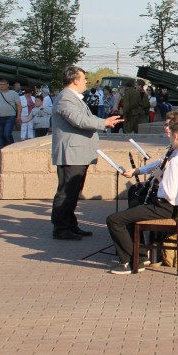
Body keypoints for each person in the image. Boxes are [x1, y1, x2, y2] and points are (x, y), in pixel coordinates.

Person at [106, 120, 178, 274]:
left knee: (114, 219)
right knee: (131, 213)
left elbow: (169, 194)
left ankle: (129, 262)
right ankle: (139, 258)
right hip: (177, 207)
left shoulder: (175, 161)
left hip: (166, 208)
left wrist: (159, 177)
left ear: (175, 136)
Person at [51, 66, 123, 240]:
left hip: (78, 152)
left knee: (74, 191)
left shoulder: (72, 97)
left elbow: (83, 118)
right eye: (83, 79)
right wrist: (103, 122)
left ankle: (70, 224)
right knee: (67, 191)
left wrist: (102, 121)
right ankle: (61, 228)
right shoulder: (66, 98)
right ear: (75, 80)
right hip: (71, 153)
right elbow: (78, 120)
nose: (85, 82)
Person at [0, 79, 22, 151]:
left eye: (4, 84)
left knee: (7, 134)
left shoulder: (13, 94)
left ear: (7, 85)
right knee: (1, 137)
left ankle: (12, 149)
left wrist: (18, 116)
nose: (2, 86)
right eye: (1, 84)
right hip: (0, 117)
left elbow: (19, 105)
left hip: (10, 117)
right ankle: (3, 154)